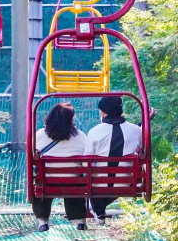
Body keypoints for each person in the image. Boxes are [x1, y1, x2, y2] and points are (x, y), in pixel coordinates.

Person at [85, 94, 142, 225]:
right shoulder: (136, 130)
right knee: (114, 179)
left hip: (98, 185)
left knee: (93, 175)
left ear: (104, 113)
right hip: (126, 182)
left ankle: (98, 209)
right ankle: (98, 208)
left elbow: (86, 159)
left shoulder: (94, 131)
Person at [32, 103, 89, 231]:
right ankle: (79, 221)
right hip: (74, 182)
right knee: (76, 182)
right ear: (71, 119)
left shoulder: (39, 135)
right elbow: (86, 161)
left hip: (47, 182)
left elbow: (32, 156)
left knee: (39, 183)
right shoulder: (80, 136)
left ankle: (42, 221)